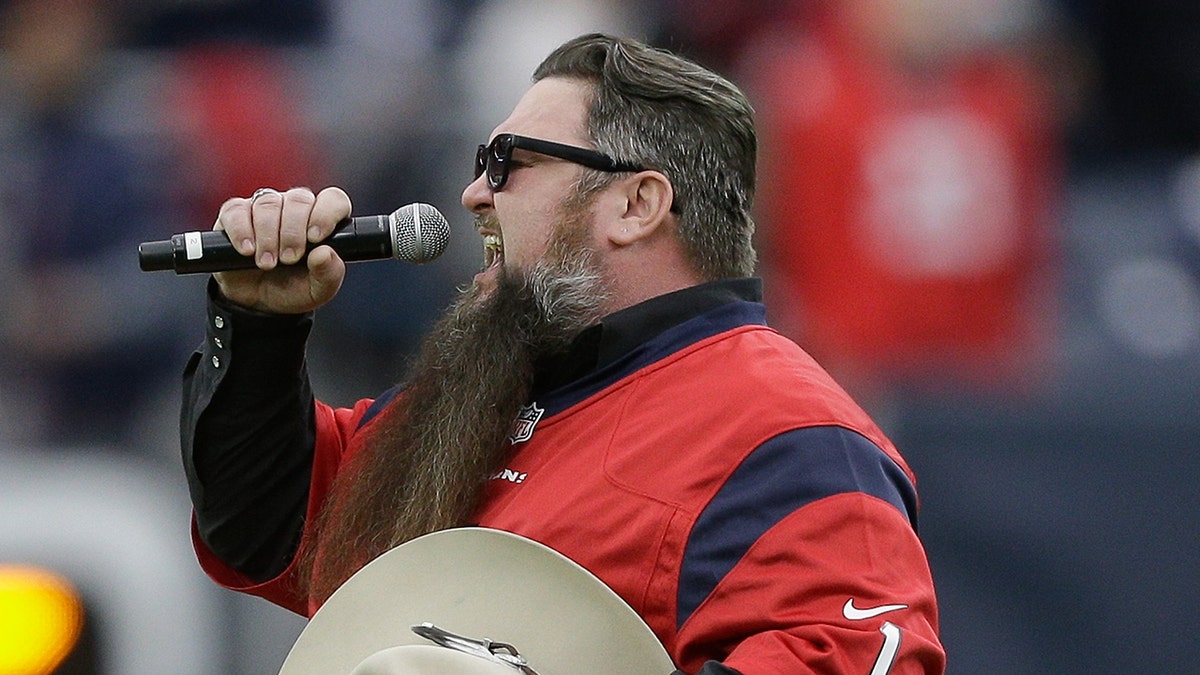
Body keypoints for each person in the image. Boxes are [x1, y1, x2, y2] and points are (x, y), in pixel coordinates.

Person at [179, 33, 945, 674]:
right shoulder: (487, 399)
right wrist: (255, 323)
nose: (475, 191)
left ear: (636, 205)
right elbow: (262, 529)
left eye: (508, 160)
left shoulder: (792, 438)